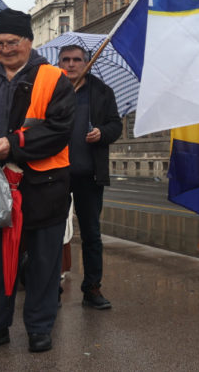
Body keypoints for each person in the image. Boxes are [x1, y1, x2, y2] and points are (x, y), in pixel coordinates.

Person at [0, 9, 75, 356]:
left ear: (28, 42)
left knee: (43, 262)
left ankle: (39, 328)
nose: (5, 49)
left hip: (44, 185)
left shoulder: (54, 78)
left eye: (12, 42)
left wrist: (15, 145)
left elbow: (59, 129)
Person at [56, 44, 122, 310]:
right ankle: (50, 287)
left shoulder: (102, 92)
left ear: (86, 63)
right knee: (51, 234)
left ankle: (92, 289)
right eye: (66, 60)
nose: (71, 65)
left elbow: (115, 124)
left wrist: (102, 134)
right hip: (54, 175)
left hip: (89, 175)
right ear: (59, 63)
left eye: (76, 60)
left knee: (92, 234)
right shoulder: (50, 89)